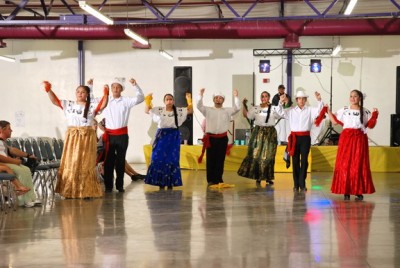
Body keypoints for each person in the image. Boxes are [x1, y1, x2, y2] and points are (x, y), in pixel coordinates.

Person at [43, 81, 108, 198]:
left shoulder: (91, 106)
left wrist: (106, 94)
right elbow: (55, 101)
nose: (80, 94)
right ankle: (69, 190)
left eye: (83, 92)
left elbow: (103, 105)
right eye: (78, 92)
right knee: (72, 162)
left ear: (87, 94)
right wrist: (49, 90)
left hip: (86, 137)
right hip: (72, 137)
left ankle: (86, 190)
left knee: (85, 163)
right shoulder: (69, 104)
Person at [326, 89, 378, 201]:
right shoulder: (344, 110)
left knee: (358, 164)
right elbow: (334, 121)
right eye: (351, 96)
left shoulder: (365, 111)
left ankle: (358, 191)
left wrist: (375, 115)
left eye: (355, 96)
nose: (352, 98)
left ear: (360, 98)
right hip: (346, 139)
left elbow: (371, 125)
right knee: (345, 164)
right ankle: (346, 190)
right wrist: (328, 111)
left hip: (360, 139)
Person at [101, 77, 145, 193]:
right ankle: (108, 186)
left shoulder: (126, 101)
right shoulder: (105, 100)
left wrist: (135, 85)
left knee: (120, 161)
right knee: (108, 161)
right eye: (113, 87)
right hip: (109, 135)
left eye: (118, 87)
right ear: (111, 89)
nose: (115, 89)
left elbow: (140, 98)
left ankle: (120, 185)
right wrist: (90, 87)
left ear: (121, 89)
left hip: (122, 135)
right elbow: (91, 101)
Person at [144, 92, 193, 190]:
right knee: (157, 157)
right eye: (167, 99)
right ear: (164, 101)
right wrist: (148, 100)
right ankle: (160, 182)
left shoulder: (178, 110)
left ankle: (170, 182)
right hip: (161, 135)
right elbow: (147, 110)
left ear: (173, 101)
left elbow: (190, 111)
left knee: (172, 159)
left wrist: (189, 100)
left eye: (171, 99)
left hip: (173, 136)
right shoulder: (159, 110)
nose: (169, 101)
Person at [238, 91, 285, 186]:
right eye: (262, 96)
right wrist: (243, 105)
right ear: (261, 98)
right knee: (257, 155)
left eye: (266, 96)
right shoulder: (255, 108)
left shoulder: (273, 108)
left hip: (270, 133)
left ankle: (268, 177)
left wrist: (281, 103)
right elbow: (247, 115)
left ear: (269, 98)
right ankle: (258, 177)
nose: (264, 98)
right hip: (258, 133)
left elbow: (280, 115)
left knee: (269, 156)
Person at [197, 88, 241, 188]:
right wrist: (200, 95)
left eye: (220, 98)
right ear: (213, 99)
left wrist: (236, 97)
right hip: (211, 138)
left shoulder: (227, 111)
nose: (218, 99)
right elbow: (198, 106)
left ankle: (219, 178)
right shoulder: (207, 110)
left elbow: (237, 108)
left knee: (220, 160)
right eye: (216, 98)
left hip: (222, 138)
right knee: (210, 159)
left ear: (223, 100)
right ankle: (211, 180)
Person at [283, 90, 324, 192]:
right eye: (299, 98)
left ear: (305, 100)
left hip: (305, 138)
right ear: (297, 100)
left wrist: (319, 100)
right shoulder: (291, 110)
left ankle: (302, 183)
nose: (301, 100)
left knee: (304, 161)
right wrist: (281, 102)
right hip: (294, 137)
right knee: (295, 161)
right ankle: (296, 184)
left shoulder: (310, 110)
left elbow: (320, 111)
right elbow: (280, 112)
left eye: (303, 99)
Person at [0, 120, 41, 207]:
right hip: (3, 164)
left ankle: (31, 198)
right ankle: (23, 200)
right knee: (20, 171)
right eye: (9, 129)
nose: (11, 130)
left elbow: (13, 150)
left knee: (26, 169)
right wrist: (14, 161)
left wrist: (28, 155)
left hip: (6, 163)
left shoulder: (3, 142)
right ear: (2, 130)